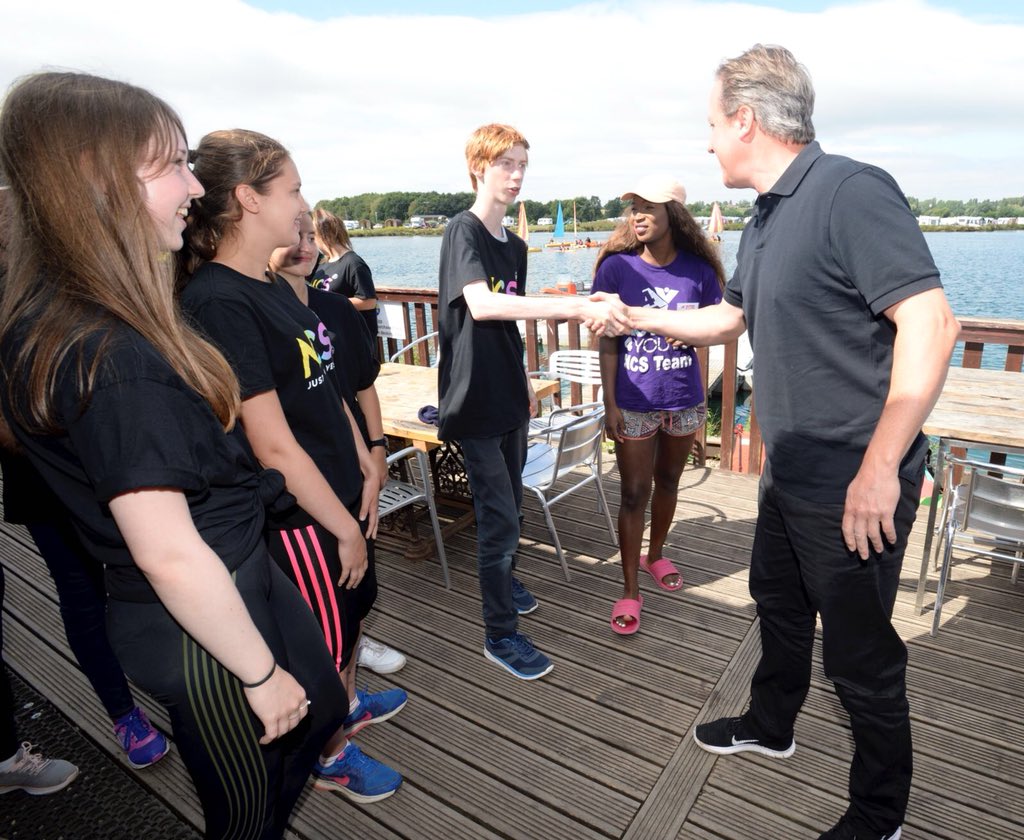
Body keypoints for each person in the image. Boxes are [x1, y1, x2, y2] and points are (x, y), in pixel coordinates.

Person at [0, 72, 348, 838]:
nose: (194, 187)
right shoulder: (108, 354)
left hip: (239, 567)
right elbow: (167, 552)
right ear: (95, 179)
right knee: (249, 813)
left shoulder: (94, 317)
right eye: (170, 165)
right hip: (199, 626)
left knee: (324, 707)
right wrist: (259, 674)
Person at [630, 45, 959, 840]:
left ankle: (879, 814)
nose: (708, 141)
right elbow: (729, 317)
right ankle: (771, 723)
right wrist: (635, 316)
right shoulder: (767, 215)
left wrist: (880, 468)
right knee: (777, 604)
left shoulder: (850, 190)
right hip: (791, 470)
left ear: (745, 120)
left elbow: (932, 323)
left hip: (854, 480)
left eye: (713, 124)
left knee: (860, 660)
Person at [180, 130, 404, 803]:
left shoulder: (273, 285)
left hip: (339, 493)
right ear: (248, 199)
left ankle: (344, 711)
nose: (304, 204)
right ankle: (329, 754)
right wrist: (343, 528)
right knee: (320, 644)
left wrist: (367, 462)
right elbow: (271, 444)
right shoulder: (220, 301)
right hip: (301, 518)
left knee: (349, 619)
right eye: (293, 189)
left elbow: (326, 388)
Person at [437, 122, 630, 680]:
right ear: (479, 168)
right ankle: (499, 635)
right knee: (497, 520)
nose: (517, 174)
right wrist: (573, 307)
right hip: (473, 400)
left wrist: (523, 376)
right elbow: (482, 305)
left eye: (523, 164)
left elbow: (508, 322)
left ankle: (504, 576)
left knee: (513, 507)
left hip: (509, 394)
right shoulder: (462, 231)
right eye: (506, 163)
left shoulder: (516, 247)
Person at [268, 214, 407, 676]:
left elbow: (362, 387)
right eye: (295, 236)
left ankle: (352, 658)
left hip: (353, 468)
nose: (304, 246)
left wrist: (377, 450)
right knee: (322, 602)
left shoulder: (337, 310)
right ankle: (339, 676)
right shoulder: (258, 313)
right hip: (302, 487)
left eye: (311, 237)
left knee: (359, 585)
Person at [591, 176, 724, 635]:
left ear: (675, 215)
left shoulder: (699, 272)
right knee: (633, 493)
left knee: (668, 482)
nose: (639, 216)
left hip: (683, 400)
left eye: (650, 207)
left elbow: (714, 329)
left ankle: (656, 555)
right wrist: (610, 403)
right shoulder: (616, 269)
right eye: (635, 208)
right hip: (633, 401)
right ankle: (630, 588)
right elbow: (608, 342)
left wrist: (695, 337)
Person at [0, 452, 169, 768]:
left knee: (154, 570)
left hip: (114, 460)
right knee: (81, 595)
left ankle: (184, 684)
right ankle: (124, 715)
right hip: (39, 476)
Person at [310, 208, 379, 355]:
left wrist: (330, 302)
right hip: (330, 342)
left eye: (312, 235)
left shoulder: (353, 263)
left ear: (324, 234)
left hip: (353, 343)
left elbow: (369, 301)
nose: (311, 240)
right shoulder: (322, 263)